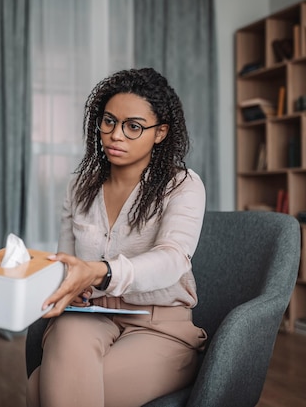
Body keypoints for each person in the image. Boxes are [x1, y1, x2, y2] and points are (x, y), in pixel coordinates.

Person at [26, 68, 208, 407]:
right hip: (89, 315)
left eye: (133, 126)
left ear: (161, 133)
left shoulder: (183, 184)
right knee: (65, 339)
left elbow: (173, 258)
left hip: (160, 327)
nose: (115, 135)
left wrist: (101, 272)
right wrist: (72, 282)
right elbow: (68, 262)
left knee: (40, 387)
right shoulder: (80, 187)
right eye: (108, 121)